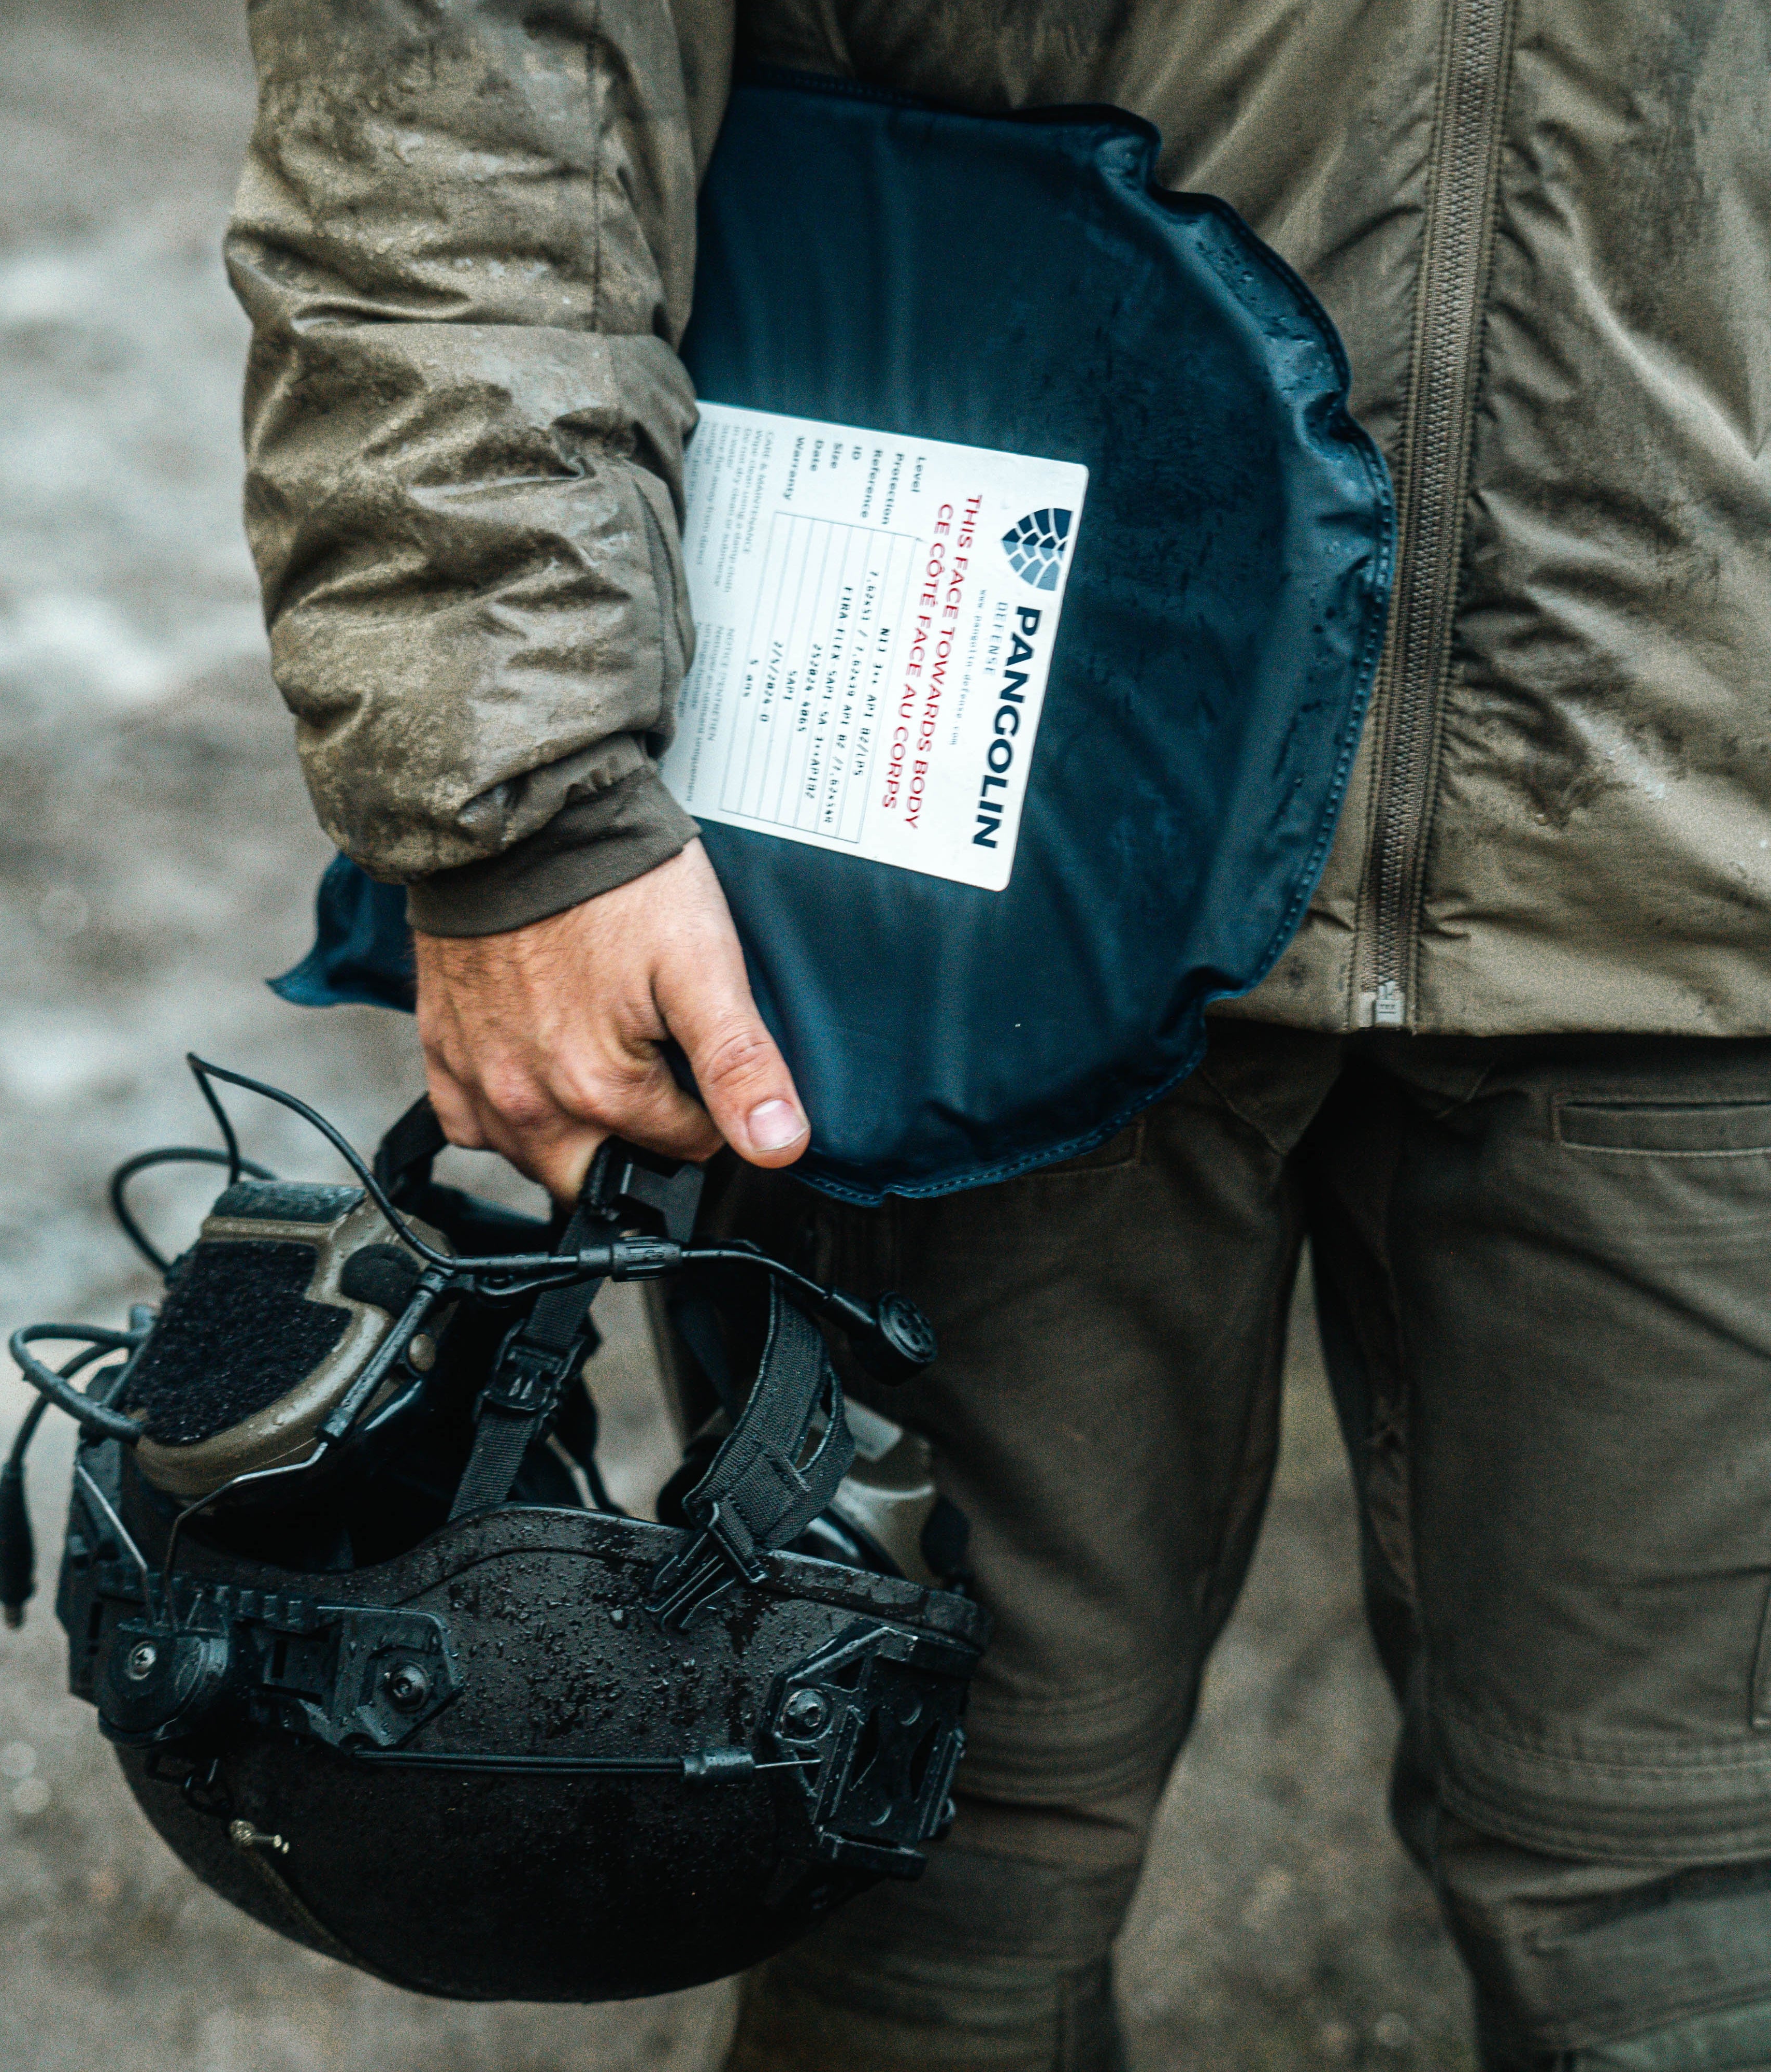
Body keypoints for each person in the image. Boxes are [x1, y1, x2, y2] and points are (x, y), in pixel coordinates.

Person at [223, 3, 1771, 2065]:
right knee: (915, 1839)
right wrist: (517, 800)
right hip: (972, 823)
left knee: (1689, 1894)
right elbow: (483, 54)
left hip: (1701, 827)